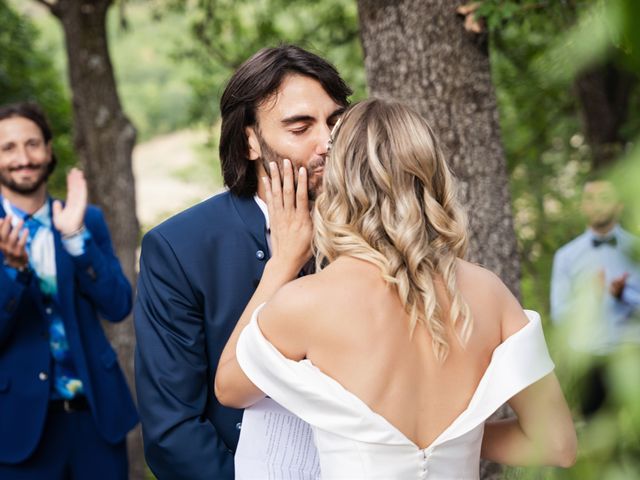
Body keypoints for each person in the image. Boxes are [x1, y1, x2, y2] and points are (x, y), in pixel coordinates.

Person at [215, 98, 577, 479]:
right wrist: (458, 438)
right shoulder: (489, 292)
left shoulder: (306, 303)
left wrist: (281, 265)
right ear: (433, 175)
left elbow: (229, 388)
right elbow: (557, 444)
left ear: (340, 182)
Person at [134, 45, 351, 479]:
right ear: (250, 140)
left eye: (335, 121)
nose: (327, 143)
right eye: (300, 127)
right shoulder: (178, 248)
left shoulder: (375, 229)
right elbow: (172, 431)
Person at [0, 102, 137, 479]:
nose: (23, 157)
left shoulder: (85, 218)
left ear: (48, 150)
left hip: (95, 418)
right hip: (16, 427)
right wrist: (14, 271)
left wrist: (76, 238)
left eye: (32, 144)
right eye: (8, 148)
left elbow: (118, 305)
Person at [551, 177, 640, 415]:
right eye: (590, 199)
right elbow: (560, 315)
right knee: (596, 438)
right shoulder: (566, 256)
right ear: (583, 206)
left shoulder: (636, 249)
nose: (597, 205)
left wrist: (624, 295)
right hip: (589, 362)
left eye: (604, 198)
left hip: (633, 358)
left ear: (619, 205)